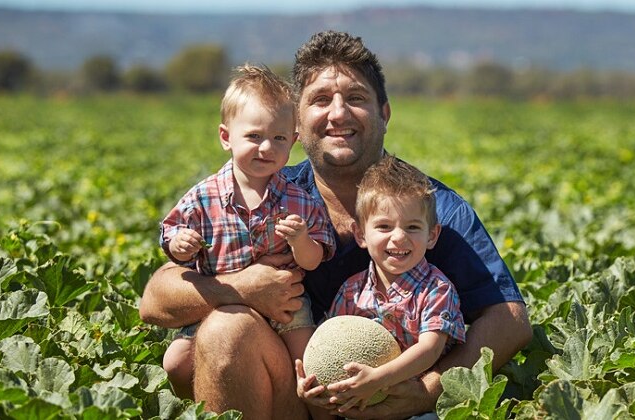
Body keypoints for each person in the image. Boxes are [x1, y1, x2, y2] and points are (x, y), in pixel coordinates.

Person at [139, 30, 532, 419]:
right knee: (225, 330)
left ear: (385, 113)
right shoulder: (271, 193)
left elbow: (509, 321)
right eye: (321, 100)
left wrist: (426, 391)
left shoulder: (432, 207)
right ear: (298, 120)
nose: (339, 113)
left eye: (356, 98)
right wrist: (240, 288)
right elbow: (156, 299)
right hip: (292, 394)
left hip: (393, 405)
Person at [157, 64, 336, 402]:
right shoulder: (202, 196)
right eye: (254, 136)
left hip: (287, 306)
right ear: (226, 137)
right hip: (219, 307)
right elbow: (171, 238)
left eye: (278, 138)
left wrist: (300, 241)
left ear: (293, 142)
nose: (266, 148)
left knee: (311, 372)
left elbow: (313, 261)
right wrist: (180, 245)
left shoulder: (299, 199)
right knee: (175, 363)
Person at [297, 156, 466, 417]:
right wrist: (311, 382)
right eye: (384, 227)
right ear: (361, 235)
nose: (398, 237)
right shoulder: (351, 290)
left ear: (431, 236)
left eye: (412, 227)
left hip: (416, 406)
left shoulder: (437, 289)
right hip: (359, 401)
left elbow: (429, 349)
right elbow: (326, 342)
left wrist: (379, 378)